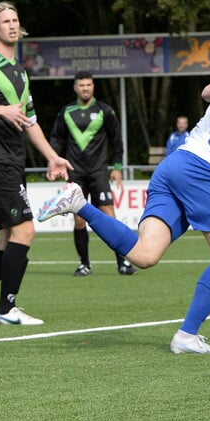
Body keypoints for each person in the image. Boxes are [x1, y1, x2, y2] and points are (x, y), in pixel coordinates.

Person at [38, 36, 210, 353]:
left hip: (172, 170)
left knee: (144, 255)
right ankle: (186, 335)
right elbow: (209, 92)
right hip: (197, 170)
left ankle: (78, 204)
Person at [0, 1, 72, 326]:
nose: (11, 25)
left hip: (13, 162)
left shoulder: (20, 71)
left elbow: (30, 121)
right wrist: (0, 110)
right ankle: (7, 310)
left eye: (15, 20)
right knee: (24, 230)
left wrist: (52, 157)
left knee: (7, 237)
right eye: (4, 20)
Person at [49, 71, 137, 276]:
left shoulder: (105, 111)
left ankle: (122, 262)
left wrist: (117, 168)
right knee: (79, 220)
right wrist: (53, 161)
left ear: (93, 86)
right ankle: (84, 264)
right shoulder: (66, 112)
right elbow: (57, 139)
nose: (85, 88)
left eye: (88, 85)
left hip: (99, 171)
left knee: (109, 216)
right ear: (75, 88)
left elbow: (117, 140)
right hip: (75, 173)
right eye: (81, 85)